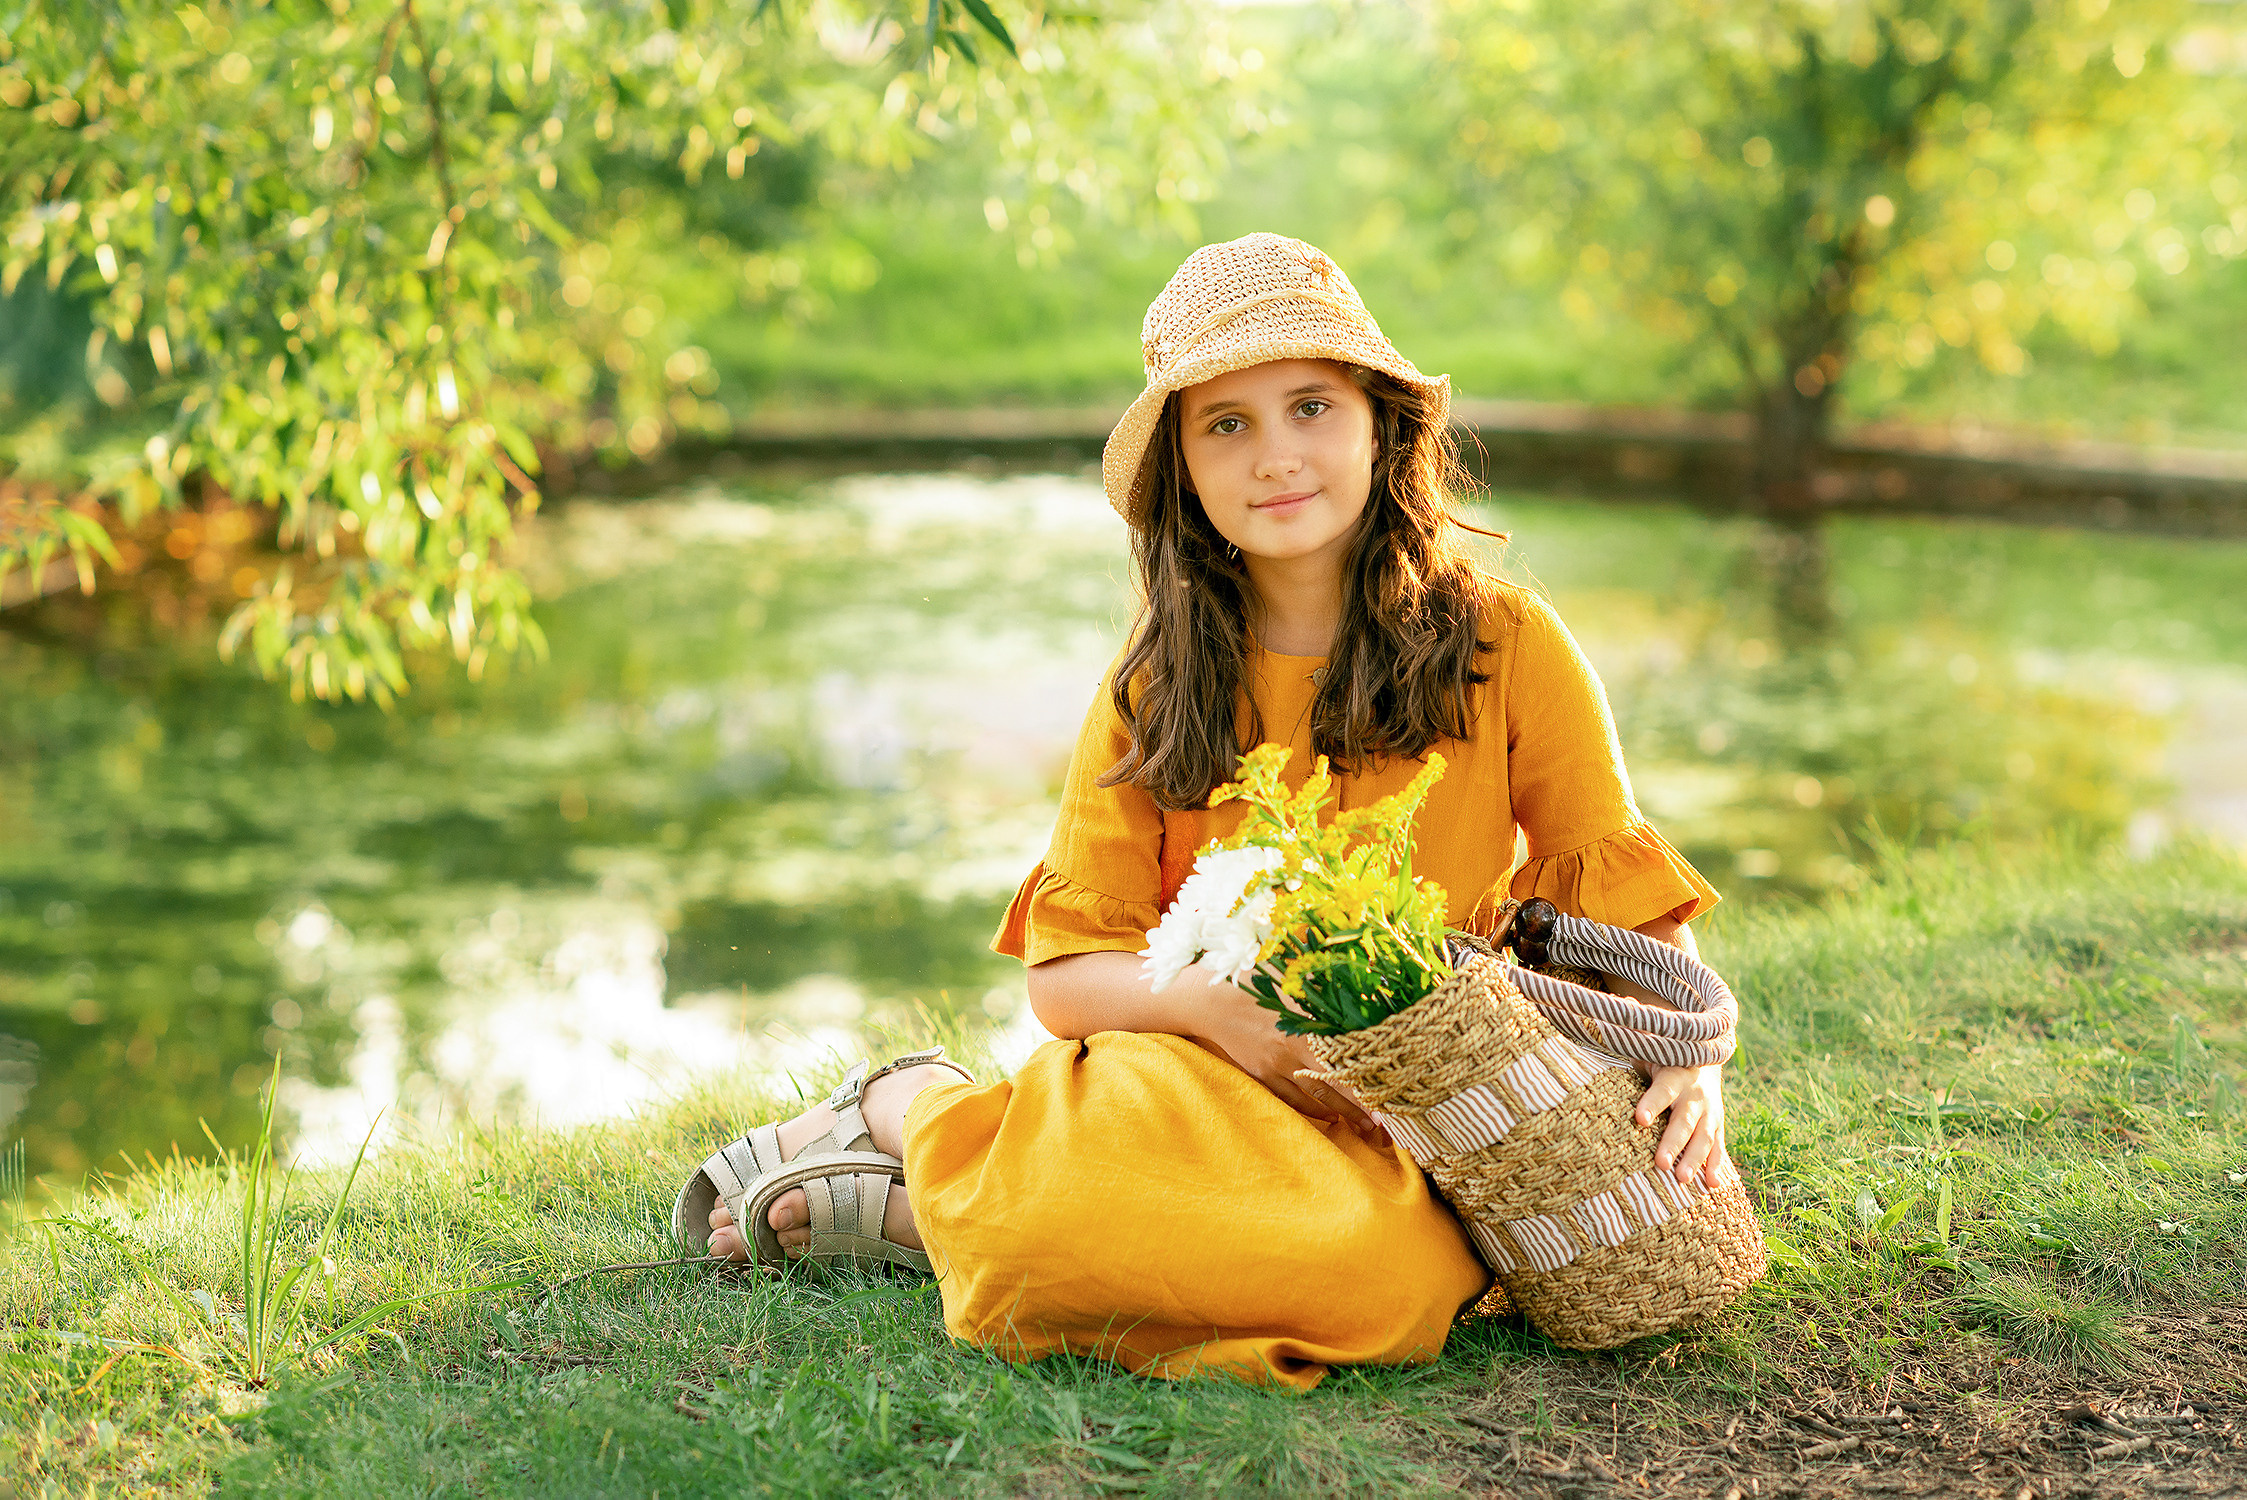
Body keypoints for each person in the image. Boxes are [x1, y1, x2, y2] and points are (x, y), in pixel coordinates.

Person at [674, 233, 1733, 1388]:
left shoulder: (1502, 643)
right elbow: (1068, 978)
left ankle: (918, 1207)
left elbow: (1610, 884)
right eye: (1226, 424)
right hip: (1195, 1079)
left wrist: (1691, 1065)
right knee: (1156, 1191)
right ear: (1183, 465)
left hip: (1421, 1115)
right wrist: (1229, 1023)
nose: (1276, 456)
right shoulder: (1153, 692)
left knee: (1394, 1284)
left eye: (1311, 407)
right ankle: (917, 1109)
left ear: (1381, 424)